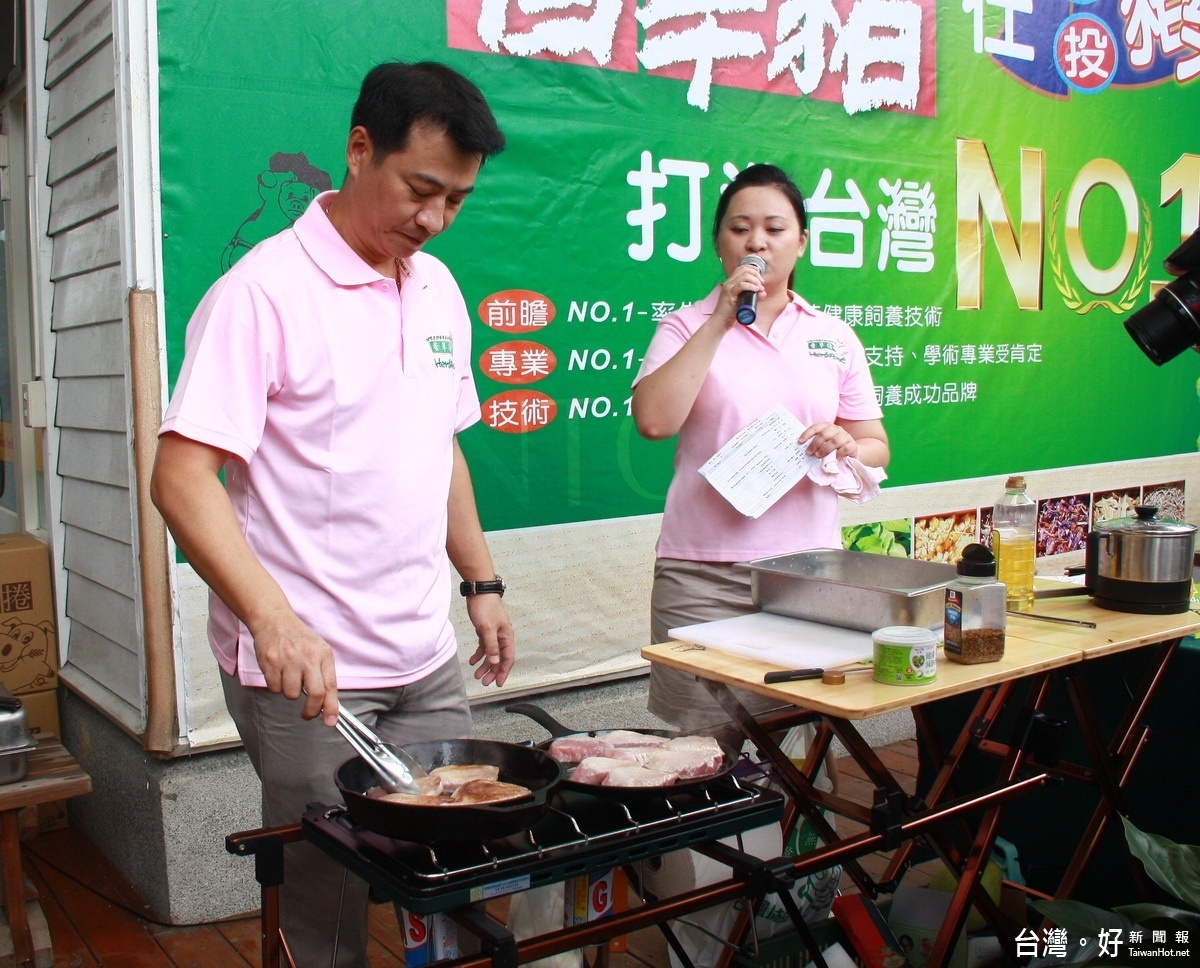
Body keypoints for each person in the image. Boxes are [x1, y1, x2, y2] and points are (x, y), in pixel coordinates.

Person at [150, 61, 510, 968]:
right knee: (330, 889)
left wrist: (483, 581)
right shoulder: (262, 293)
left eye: (456, 201)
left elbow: (442, 449)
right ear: (358, 150)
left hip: (422, 653)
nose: (432, 220)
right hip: (309, 675)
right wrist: (275, 623)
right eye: (420, 189)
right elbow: (182, 476)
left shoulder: (435, 289)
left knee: (455, 860)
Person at [631, 163, 890, 735]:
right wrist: (720, 320)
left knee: (800, 741)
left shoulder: (833, 334)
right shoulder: (684, 327)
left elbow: (876, 448)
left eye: (774, 228)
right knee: (700, 744)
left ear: (801, 241)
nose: (757, 242)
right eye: (739, 228)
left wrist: (847, 444)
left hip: (807, 574)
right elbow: (653, 421)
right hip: (700, 576)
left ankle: (798, 826)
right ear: (719, 242)